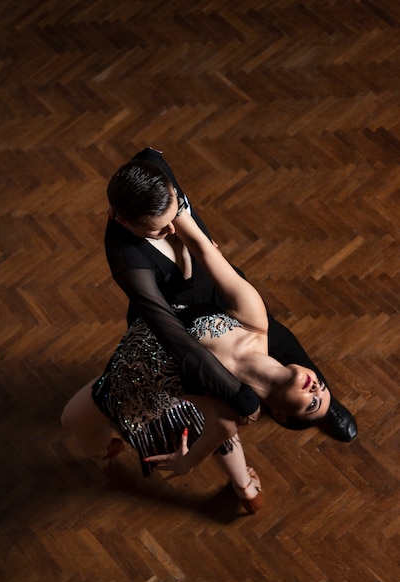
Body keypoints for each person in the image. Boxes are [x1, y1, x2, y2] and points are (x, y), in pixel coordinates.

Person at [104, 147, 357, 441]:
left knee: (277, 336)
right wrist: (240, 398)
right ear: (123, 222)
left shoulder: (153, 168)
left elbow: (197, 240)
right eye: (161, 230)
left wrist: (196, 233)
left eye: (177, 213)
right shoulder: (127, 261)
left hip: (215, 284)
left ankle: (324, 406)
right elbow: (177, 341)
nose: (175, 229)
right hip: (172, 311)